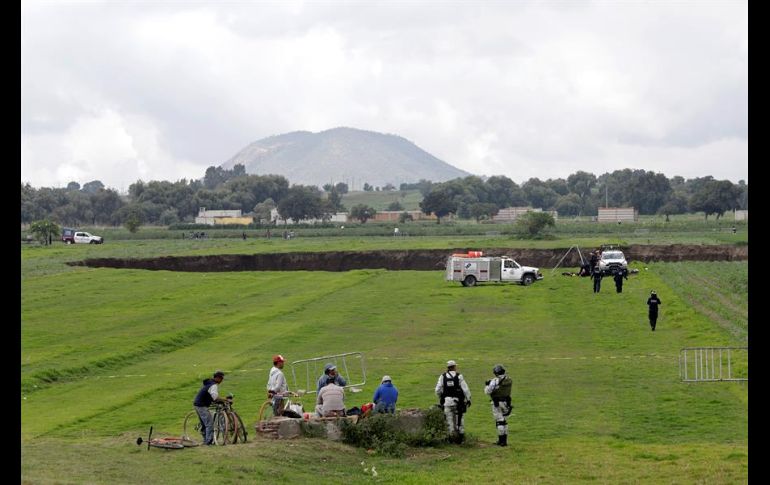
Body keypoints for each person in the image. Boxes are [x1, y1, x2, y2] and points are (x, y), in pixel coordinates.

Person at [435, 360, 471, 444]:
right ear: (454, 367)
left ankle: (451, 439)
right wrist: (468, 399)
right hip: (458, 402)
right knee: (460, 419)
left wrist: (441, 397)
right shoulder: (459, 376)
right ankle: (461, 439)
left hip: (447, 402)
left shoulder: (442, 376)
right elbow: (465, 389)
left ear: (448, 367)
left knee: (449, 421)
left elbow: (437, 390)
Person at [193, 370, 228, 445]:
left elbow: (211, 397)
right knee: (209, 423)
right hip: (201, 405)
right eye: (221, 378)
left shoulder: (209, 383)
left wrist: (219, 400)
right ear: (217, 378)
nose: (222, 380)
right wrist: (225, 399)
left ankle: (205, 439)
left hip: (198, 404)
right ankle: (208, 441)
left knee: (204, 423)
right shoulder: (213, 385)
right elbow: (215, 397)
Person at [484, 364, 512, 447]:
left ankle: (501, 441)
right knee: (504, 421)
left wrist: (487, 385)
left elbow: (487, 392)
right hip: (506, 402)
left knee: (499, 422)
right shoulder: (509, 380)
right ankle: (505, 441)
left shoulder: (495, 381)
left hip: (497, 403)